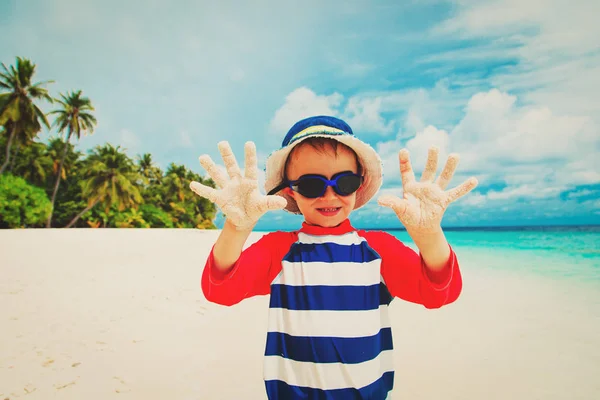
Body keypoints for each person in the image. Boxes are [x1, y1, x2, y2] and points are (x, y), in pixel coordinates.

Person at [189, 115, 478, 399]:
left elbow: (439, 292)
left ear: (360, 185)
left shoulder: (378, 250)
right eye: (312, 185)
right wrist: (236, 228)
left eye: (345, 183)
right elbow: (221, 289)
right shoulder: (278, 251)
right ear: (291, 190)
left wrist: (429, 235)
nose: (329, 196)